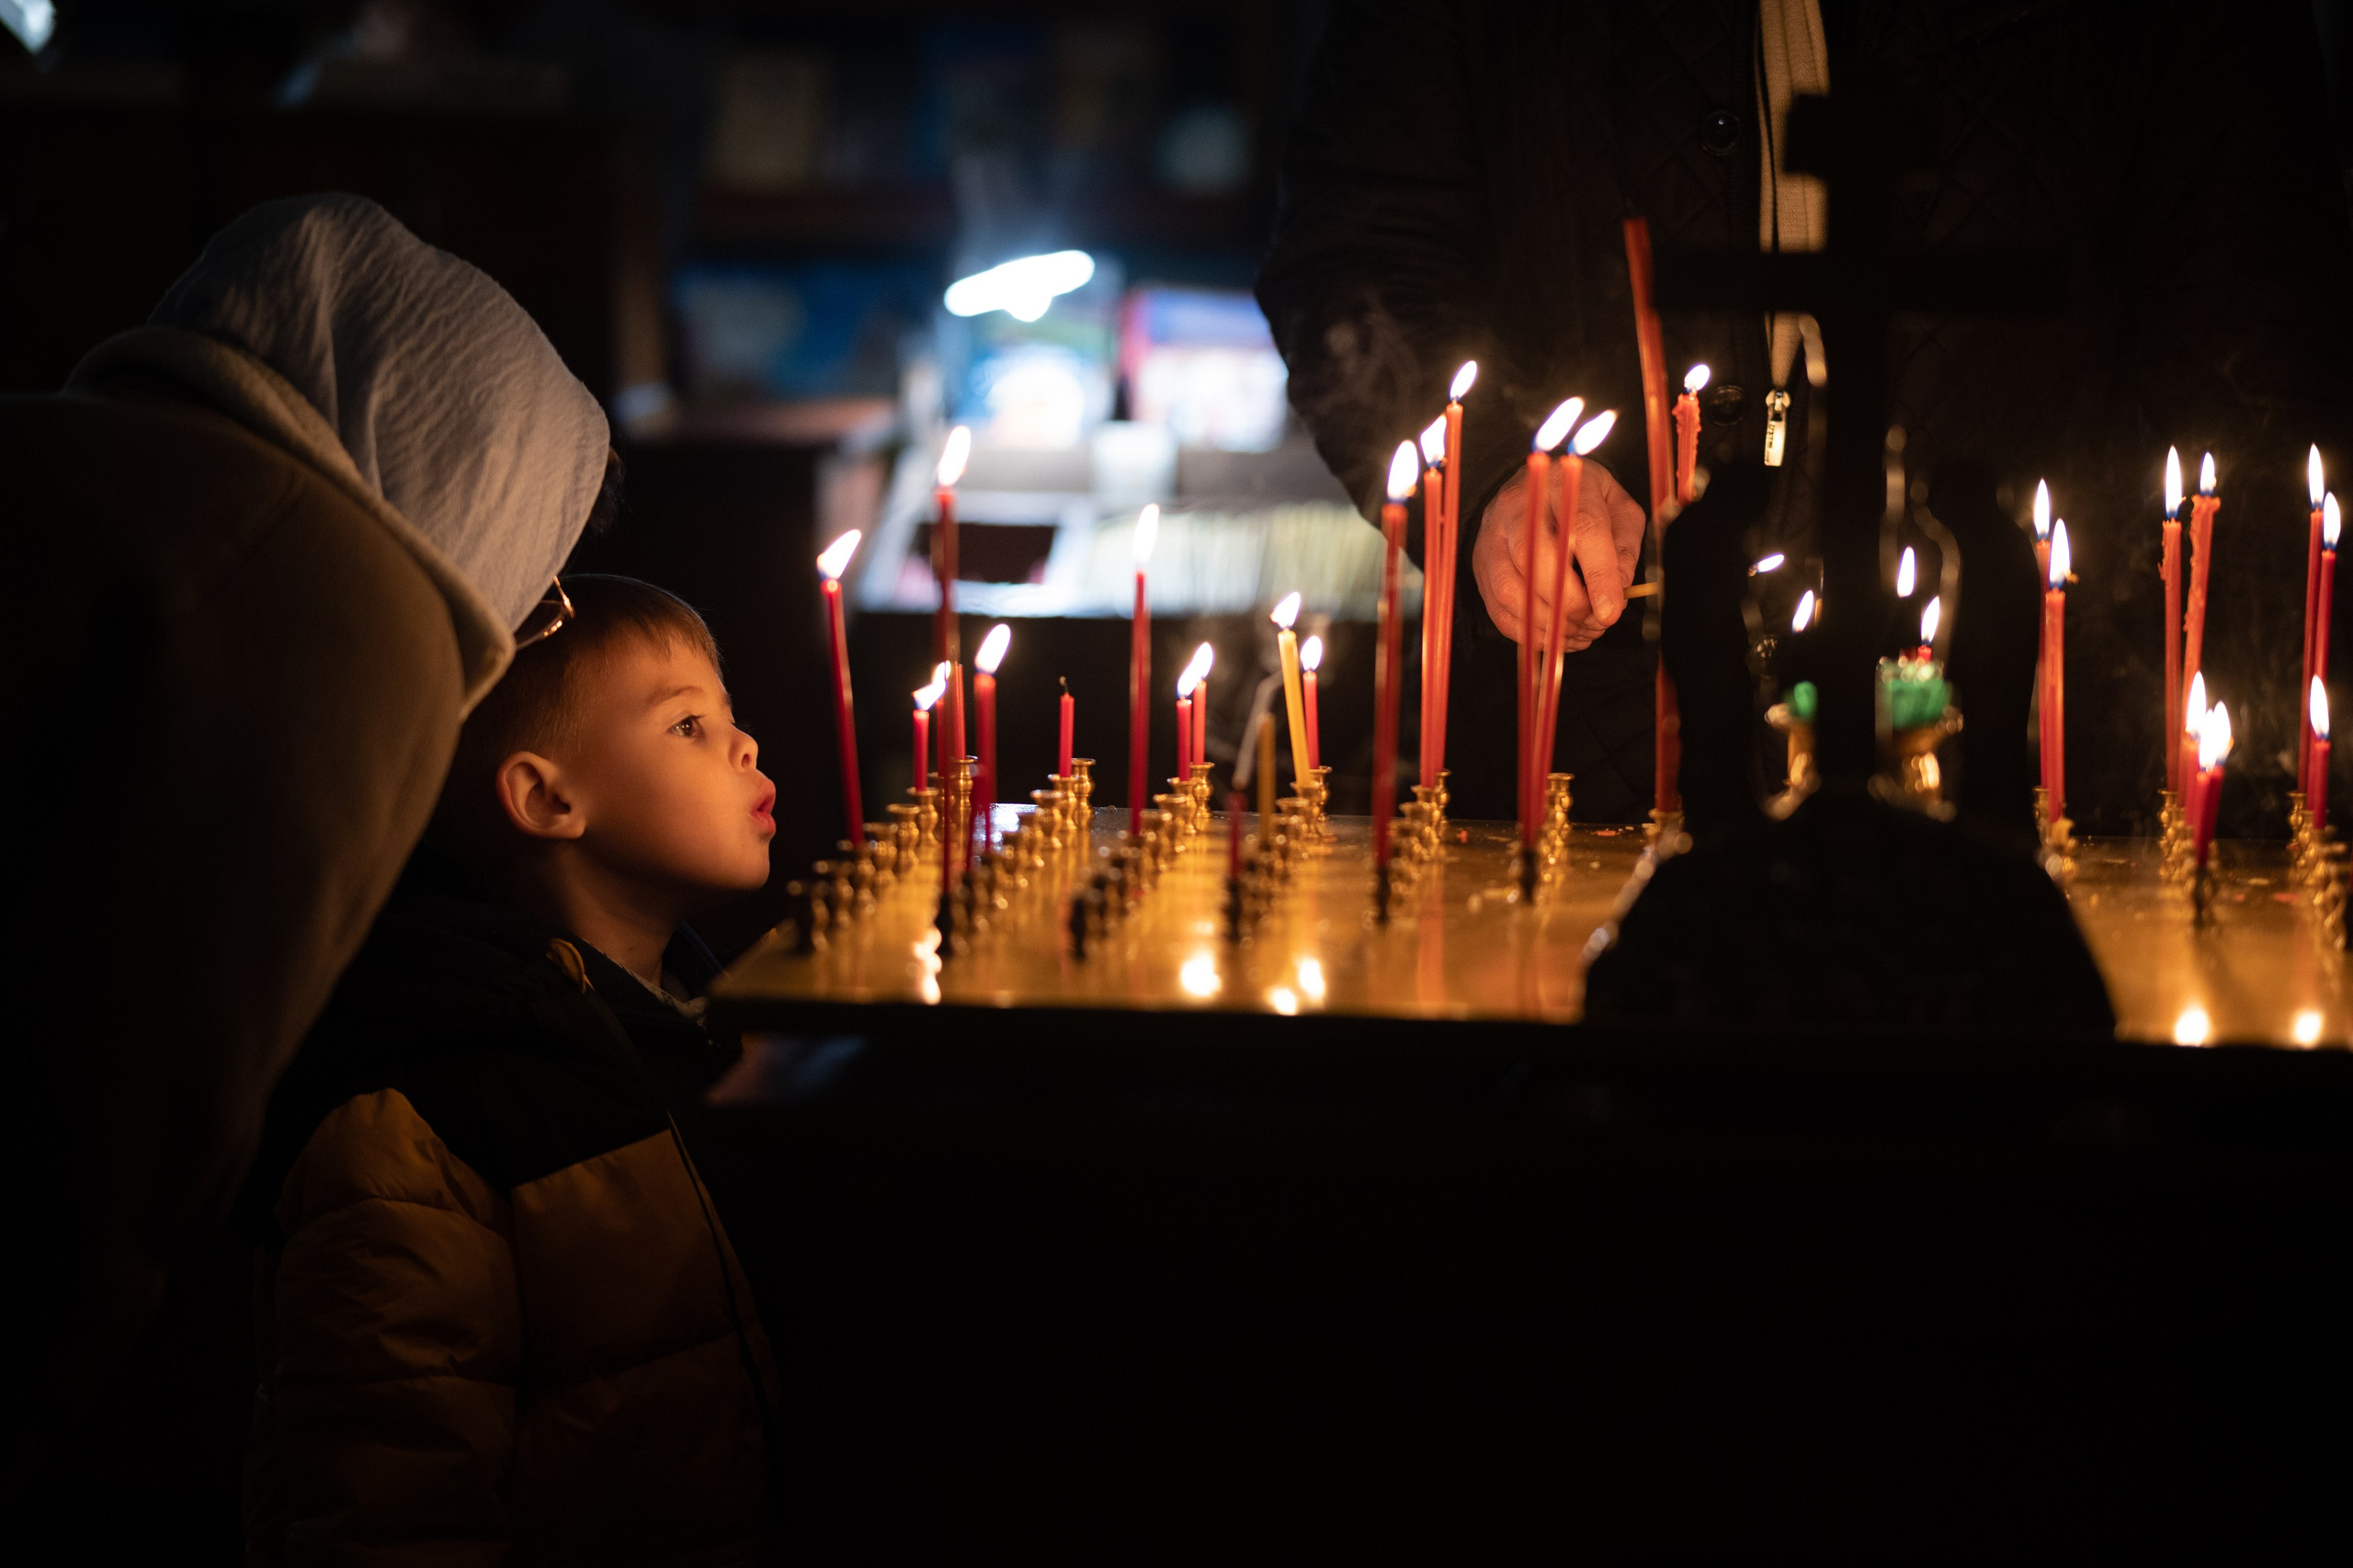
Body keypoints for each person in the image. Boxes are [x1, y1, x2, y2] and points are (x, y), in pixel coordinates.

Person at [1259, 1, 2353, 828]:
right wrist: (1497, 469)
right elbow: (1361, 244)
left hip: (2041, 751)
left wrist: (2238, 744)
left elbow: (2257, 318)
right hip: (1589, 754)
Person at [1, 193, 613, 1494]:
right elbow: (128, 1119)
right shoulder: (343, 603)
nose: (524, 621)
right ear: (481, 469)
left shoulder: (70, 453)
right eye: (543, 590)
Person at [241, 574, 781, 1564]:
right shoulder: (418, 1118)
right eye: (689, 725)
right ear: (547, 797)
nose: (743, 746)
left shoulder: (716, 1022)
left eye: (730, 716)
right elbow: (392, 1492)